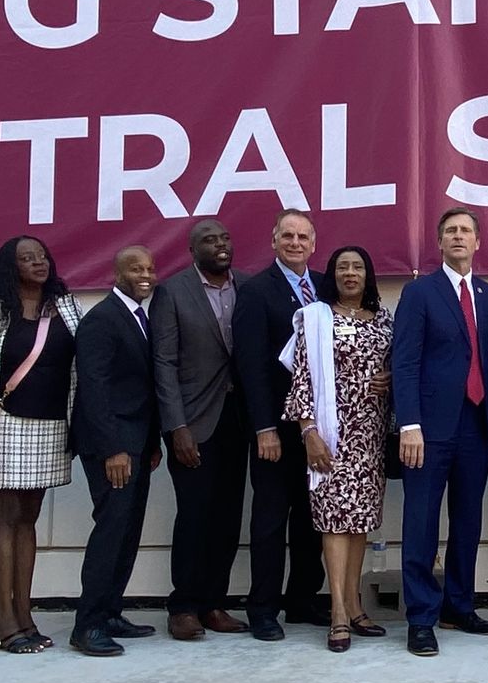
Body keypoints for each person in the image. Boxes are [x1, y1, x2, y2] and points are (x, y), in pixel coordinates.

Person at [0, 236, 84, 654]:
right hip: (6, 426)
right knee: (8, 515)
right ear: (10, 266)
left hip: (51, 429)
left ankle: (25, 614)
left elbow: (81, 366)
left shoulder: (63, 304)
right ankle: (4, 620)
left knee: (28, 517)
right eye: (27, 258)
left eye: (42, 256)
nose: (38, 263)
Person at [393, 206, 488, 656]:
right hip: (428, 427)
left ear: (478, 241)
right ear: (440, 242)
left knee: (467, 521)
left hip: (476, 425)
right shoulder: (420, 293)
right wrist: (409, 424)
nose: (459, 237)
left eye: (466, 231)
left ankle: (458, 606)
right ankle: (421, 617)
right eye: (450, 231)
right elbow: (404, 363)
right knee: (421, 521)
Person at [283, 245, 395, 652]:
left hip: (370, 436)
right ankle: (337, 614)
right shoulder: (315, 318)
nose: (351, 273)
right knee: (333, 521)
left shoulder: (383, 318)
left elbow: (397, 363)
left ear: (368, 275)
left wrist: (390, 377)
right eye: (343, 266)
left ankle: (355, 603)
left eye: (358, 266)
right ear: (332, 274)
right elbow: (301, 379)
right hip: (331, 436)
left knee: (361, 520)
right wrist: (309, 431)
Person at [232, 210, 335, 641]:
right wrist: (263, 428)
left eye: (303, 237)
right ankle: (263, 609)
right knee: (271, 519)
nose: (295, 243)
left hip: (319, 429)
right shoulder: (257, 292)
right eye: (287, 236)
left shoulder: (325, 289)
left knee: (313, 518)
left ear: (313, 244)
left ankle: (302, 599)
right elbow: (250, 366)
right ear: (274, 241)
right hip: (275, 428)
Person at [153, 219, 253, 640]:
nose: (220, 244)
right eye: (209, 240)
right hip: (193, 421)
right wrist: (176, 426)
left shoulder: (248, 286)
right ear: (193, 250)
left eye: (225, 237)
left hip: (238, 417)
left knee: (228, 516)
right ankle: (183, 606)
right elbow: (164, 363)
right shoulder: (173, 292)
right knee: (195, 514)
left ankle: (214, 602)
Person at [70, 246, 165, 657]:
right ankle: (87, 624)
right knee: (111, 530)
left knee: (127, 531)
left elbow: (143, 386)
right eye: (135, 268)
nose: (145, 275)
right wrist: (114, 450)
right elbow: (94, 388)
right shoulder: (102, 320)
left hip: (138, 443)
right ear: (117, 272)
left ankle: (110, 611)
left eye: (149, 268)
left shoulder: (141, 317)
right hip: (113, 446)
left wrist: (152, 442)